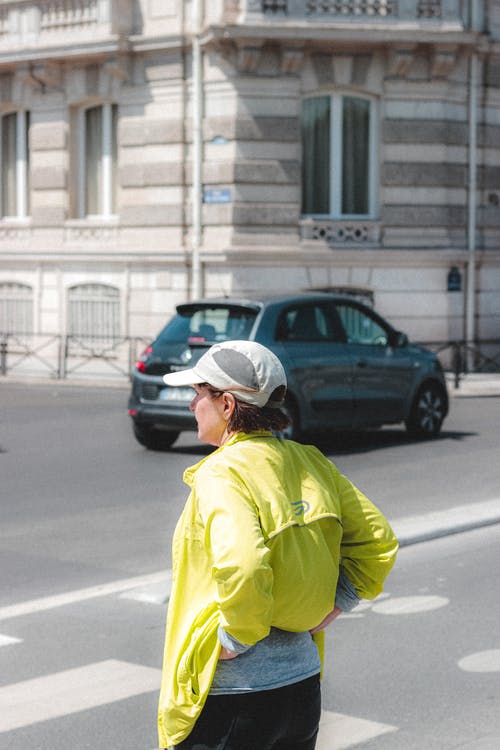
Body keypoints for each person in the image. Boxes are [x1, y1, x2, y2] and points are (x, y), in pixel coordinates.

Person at [157, 340, 398, 750]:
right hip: (301, 688)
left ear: (227, 404)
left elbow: (246, 565)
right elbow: (378, 541)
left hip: (233, 698)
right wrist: (339, 600)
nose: (192, 405)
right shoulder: (310, 461)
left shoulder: (222, 473)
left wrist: (236, 641)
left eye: (198, 393)